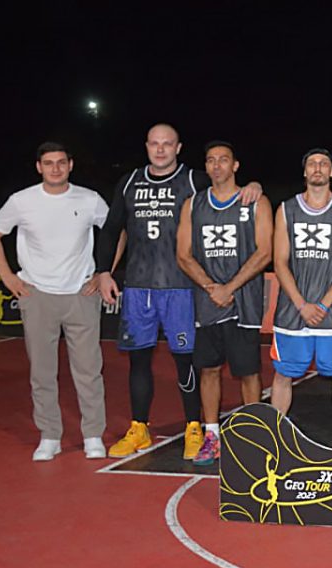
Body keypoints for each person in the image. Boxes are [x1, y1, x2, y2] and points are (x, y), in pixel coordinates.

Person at [94, 123, 261, 460]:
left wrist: (254, 185)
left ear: (178, 147)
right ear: (146, 146)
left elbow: (228, 187)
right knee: (138, 360)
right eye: (154, 143)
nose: (160, 149)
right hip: (139, 286)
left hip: (181, 287)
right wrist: (103, 271)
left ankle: (194, 427)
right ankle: (139, 427)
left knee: (187, 361)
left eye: (167, 144)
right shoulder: (129, 182)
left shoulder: (194, 180)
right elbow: (112, 229)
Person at [0, 142, 110, 461]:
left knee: (89, 370)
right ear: (39, 167)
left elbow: (116, 232)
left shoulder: (89, 199)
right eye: (49, 163)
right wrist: (8, 277)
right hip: (37, 294)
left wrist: (104, 272)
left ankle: (93, 435)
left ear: (71, 165)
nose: (55, 168)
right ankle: (50, 435)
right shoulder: (21, 201)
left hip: (82, 294)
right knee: (42, 372)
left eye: (61, 162)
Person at [176, 141, 273, 466]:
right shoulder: (193, 205)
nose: (217, 165)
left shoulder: (255, 202)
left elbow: (265, 252)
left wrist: (229, 287)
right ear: (206, 166)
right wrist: (210, 287)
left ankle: (253, 438)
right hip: (208, 301)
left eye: (223, 160)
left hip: (243, 301)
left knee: (248, 372)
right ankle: (213, 436)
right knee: (209, 369)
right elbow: (183, 254)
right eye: (211, 160)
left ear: (235, 165)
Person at [270, 148, 332, 452]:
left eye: (323, 164)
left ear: (331, 172)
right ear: (305, 171)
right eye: (312, 164)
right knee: (283, 375)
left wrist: (322, 305)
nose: (318, 168)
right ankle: (277, 438)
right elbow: (279, 262)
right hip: (292, 311)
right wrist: (301, 304)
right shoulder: (286, 209)